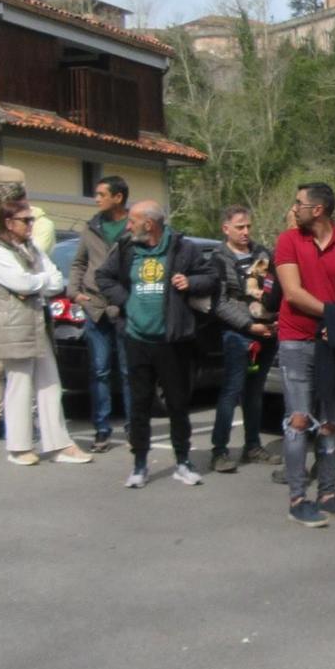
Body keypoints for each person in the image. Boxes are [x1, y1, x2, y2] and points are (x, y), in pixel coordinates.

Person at [273, 180, 335, 528]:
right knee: (299, 420)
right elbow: (293, 293)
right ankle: (298, 498)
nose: (293, 208)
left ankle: (328, 494)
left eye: (298, 202)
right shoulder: (288, 241)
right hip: (297, 341)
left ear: (318, 210)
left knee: (331, 422)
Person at [96, 200, 213, 489]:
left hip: (172, 340)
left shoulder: (183, 248)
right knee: (139, 405)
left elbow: (211, 277)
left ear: (150, 224)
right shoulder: (126, 248)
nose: (128, 225)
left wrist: (191, 282)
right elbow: (103, 276)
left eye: (133, 221)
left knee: (177, 404)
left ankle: (183, 462)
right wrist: (126, 302)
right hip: (136, 338)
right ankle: (139, 465)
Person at [0, 202, 91, 467]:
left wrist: (35, 283)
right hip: (13, 324)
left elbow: (55, 280)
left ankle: (58, 444)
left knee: (50, 382)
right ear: (9, 223)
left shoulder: (32, 249)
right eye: (26, 220)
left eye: (31, 220)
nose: (31, 225)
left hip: (37, 321)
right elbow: (21, 282)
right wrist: (37, 282)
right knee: (19, 383)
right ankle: (18, 446)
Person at [0, 185, 56, 442]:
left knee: (30, 376)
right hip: (1, 309)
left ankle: (28, 428)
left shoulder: (42, 224)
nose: (8, 207)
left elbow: (32, 265)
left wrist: (30, 281)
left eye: (13, 202)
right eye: (3, 203)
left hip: (31, 310)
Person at [208, 204, 277, 472]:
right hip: (237, 333)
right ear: (226, 229)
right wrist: (249, 326)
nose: (246, 232)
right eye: (240, 227)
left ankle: (253, 446)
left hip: (267, 330)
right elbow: (220, 302)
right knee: (232, 390)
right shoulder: (219, 258)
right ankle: (219, 450)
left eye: (248, 226)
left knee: (255, 391)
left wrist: (273, 319)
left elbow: (272, 288)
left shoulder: (262, 253)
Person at [68, 175, 131, 453]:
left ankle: (134, 427)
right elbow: (79, 262)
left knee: (130, 372)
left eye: (101, 194)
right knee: (100, 370)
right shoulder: (92, 226)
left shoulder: (134, 225)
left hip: (124, 307)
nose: (96, 199)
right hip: (94, 306)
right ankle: (102, 430)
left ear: (118, 197)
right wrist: (74, 292)